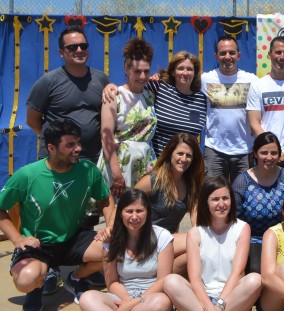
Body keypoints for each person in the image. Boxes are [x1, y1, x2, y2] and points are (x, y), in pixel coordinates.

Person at [0, 119, 113, 310]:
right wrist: (18, 239)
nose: (78, 148)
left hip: (73, 239)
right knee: (26, 279)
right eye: (70, 145)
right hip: (38, 245)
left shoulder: (88, 170)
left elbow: (105, 198)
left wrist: (110, 226)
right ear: (51, 148)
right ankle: (38, 286)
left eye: (78, 143)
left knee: (118, 249)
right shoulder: (27, 175)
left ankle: (76, 277)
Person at [163, 177, 262, 310]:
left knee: (255, 280)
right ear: (206, 203)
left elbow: (237, 273)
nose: (221, 204)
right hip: (202, 298)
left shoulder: (242, 228)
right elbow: (194, 277)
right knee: (171, 281)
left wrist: (220, 303)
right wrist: (209, 306)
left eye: (225, 198)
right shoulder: (195, 233)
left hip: (231, 298)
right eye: (215, 199)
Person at [78, 189, 173, 310]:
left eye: (139, 211)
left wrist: (133, 304)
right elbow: (112, 282)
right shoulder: (111, 240)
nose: (134, 217)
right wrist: (127, 302)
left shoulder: (162, 236)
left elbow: (162, 281)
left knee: (161, 302)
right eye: (129, 211)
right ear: (120, 213)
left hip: (151, 298)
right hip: (122, 297)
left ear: (148, 212)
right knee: (87, 298)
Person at [26, 25, 109, 164]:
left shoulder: (101, 79)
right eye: (72, 47)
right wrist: (56, 139)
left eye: (83, 46)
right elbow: (32, 120)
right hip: (57, 160)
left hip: (92, 160)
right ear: (61, 52)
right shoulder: (48, 81)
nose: (79, 50)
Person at [133, 132, 204, 275]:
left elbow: (196, 220)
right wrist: (112, 228)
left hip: (169, 240)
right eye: (180, 154)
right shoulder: (153, 180)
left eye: (188, 155)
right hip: (147, 237)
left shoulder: (191, 185)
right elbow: (126, 204)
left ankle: (159, 278)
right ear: (170, 153)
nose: (184, 159)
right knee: (195, 242)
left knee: (197, 249)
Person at [232, 132, 284, 274]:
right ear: (255, 154)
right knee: (259, 271)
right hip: (252, 241)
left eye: (274, 153)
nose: (269, 157)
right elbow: (233, 218)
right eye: (264, 153)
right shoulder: (242, 182)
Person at [98, 37, 157, 198]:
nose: (142, 76)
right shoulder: (114, 96)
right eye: (137, 71)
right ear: (126, 69)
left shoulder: (149, 95)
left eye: (146, 71)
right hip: (120, 163)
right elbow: (106, 135)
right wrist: (116, 172)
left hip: (145, 162)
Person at [201, 36, 259, 182]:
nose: (227, 57)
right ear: (216, 56)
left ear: (239, 55)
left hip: (244, 151)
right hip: (214, 150)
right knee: (213, 195)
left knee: (242, 196)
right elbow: (180, 80)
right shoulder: (205, 79)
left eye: (232, 53)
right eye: (223, 53)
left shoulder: (252, 80)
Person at [247, 36, 284, 179]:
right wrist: (272, 151)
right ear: (269, 54)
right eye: (278, 52)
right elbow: (254, 124)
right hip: (264, 156)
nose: (282, 57)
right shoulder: (257, 86)